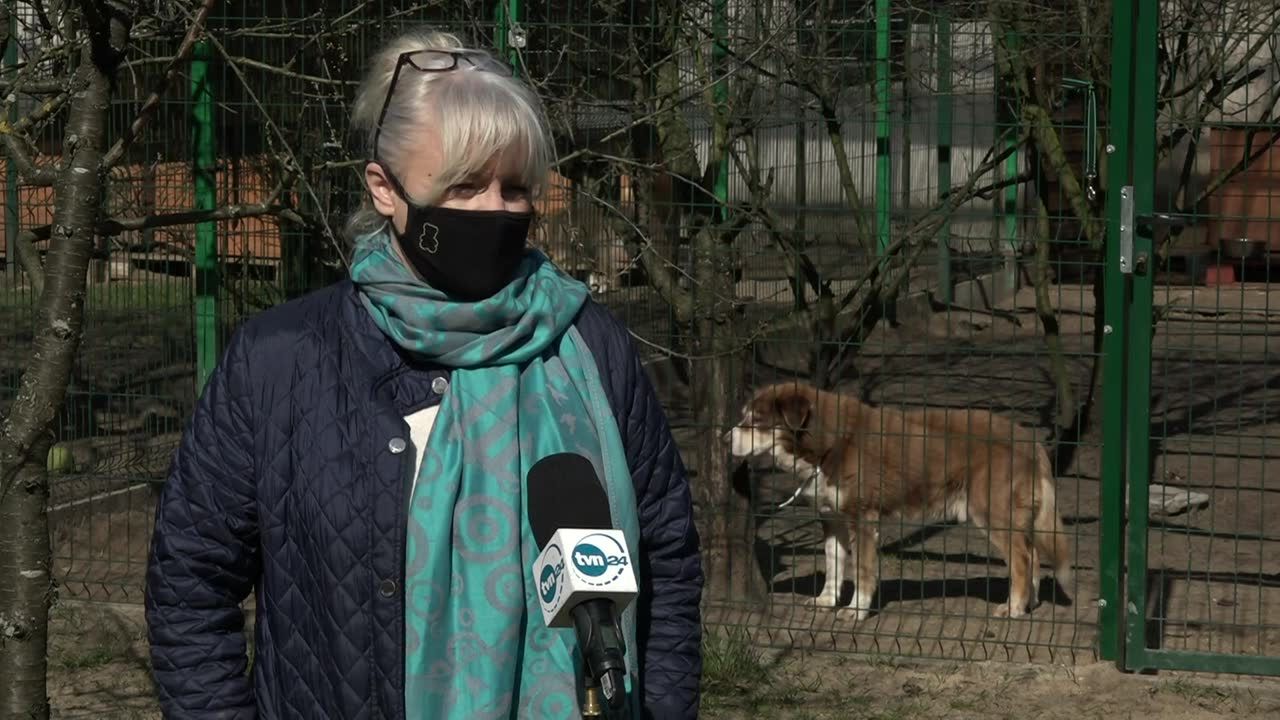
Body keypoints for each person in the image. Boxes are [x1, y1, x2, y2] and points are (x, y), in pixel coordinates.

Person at [144, 27, 703, 719]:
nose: (496, 211)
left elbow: (668, 566)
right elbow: (192, 584)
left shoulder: (592, 348)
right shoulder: (281, 362)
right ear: (384, 188)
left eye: (515, 188)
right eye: (464, 186)